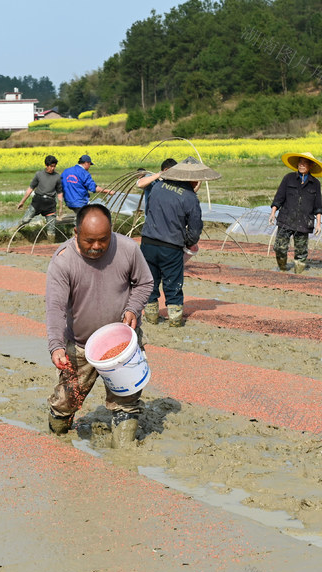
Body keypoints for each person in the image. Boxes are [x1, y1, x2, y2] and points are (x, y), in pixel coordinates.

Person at [45, 203, 154, 448]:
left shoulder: (127, 249)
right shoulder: (63, 262)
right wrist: (56, 347)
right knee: (65, 402)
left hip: (122, 346)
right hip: (81, 346)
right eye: (89, 241)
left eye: (103, 240)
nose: (96, 247)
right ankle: (57, 440)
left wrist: (132, 308)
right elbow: (55, 308)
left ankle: (122, 455)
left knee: (126, 402)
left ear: (111, 232)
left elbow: (145, 282)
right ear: (76, 234)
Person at [140, 157, 218, 327]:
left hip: (147, 243)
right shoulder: (190, 198)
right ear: (192, 179)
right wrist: (188, 242)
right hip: (171, 246)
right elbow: (195, 228)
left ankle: (151, 317)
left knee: (150, 281)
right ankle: (175, 321)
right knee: (173, 283)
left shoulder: (158, 187)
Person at [269, 151, 322, 273]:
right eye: (300, 162)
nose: (301, 165)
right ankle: (282, 269)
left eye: (305, 163)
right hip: (286, 219)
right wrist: (273, 212)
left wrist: (318, 224)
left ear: (310, 166)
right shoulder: (288, 178)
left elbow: (318, 206)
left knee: (301, 252)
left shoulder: (315, 184)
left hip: (304, 222)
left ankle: (298, 274)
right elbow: (279, 198)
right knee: (279, 248)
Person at [16, 154, 64, 241]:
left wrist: (61, 207)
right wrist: (22, 202)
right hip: (37, 202)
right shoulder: (39, 174)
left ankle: (51, 245)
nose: (53, 168)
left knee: (51, 229)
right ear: (46, 165)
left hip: (50, 204)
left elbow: (60, 193)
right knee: (26, 220)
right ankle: (16, 230)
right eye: (51, 166)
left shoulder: (57, 177)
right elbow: (30, 189)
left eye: (54, 166)